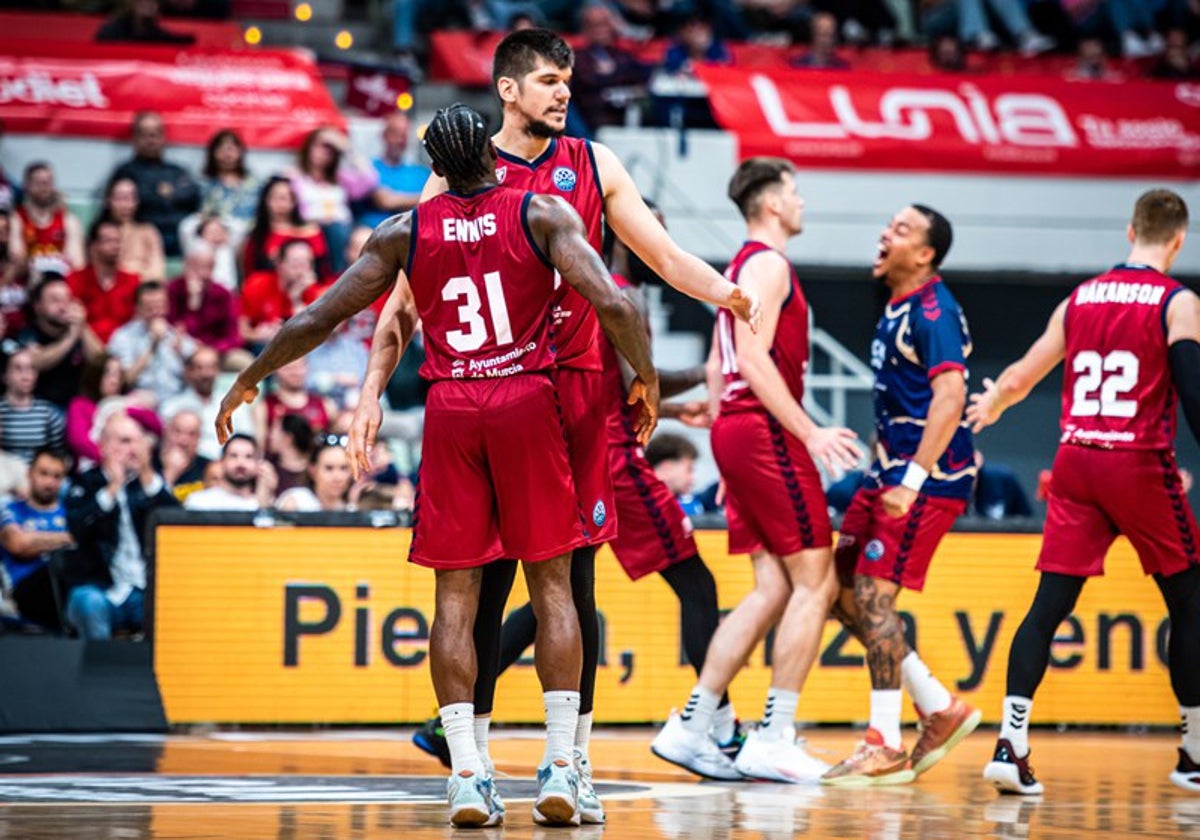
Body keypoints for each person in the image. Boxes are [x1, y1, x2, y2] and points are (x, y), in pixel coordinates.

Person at [215, 102, 660, 829]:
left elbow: (318, 318)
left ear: (435, 167)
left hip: (452, 409)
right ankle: (560, 764)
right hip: (526, 398)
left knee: (456, 600)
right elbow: (614, 304)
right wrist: (647, 377)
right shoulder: (541, 212)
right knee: (554, 586)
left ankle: (466, 774)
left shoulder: (404, 230)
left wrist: (251, 376)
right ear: (489, 151)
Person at [366, 30, 758, 823]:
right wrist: (373, 386)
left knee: (572, 576)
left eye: (567, 80)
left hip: (576, 387)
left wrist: (731, 294)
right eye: (547, 80)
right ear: (507, 91)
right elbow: (406, 293)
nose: (562, 92)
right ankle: (473, 758)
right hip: (496, 383)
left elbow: (663, 257)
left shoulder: (595, 162)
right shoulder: (459, 169)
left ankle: (566, 761)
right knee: (488, 584)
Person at [967, 189, 1200, 796]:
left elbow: (1019, 376)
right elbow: (1194, 393)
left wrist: (989, 405)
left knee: (1048, 606)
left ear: (1130, 231)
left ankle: (1010, 743)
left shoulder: (1080, 299)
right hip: (1138, 461)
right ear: (1178, 239)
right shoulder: (1178, 302)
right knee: (1191, 603)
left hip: (1075, 461)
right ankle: (1194, 754)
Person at [653, 157, 861, 783]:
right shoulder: (769, 265)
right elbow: (750, 356)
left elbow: (722, 369)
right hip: (765, 430)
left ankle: (692, 726)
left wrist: (714, 411)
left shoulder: (737, 268)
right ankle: (775, 733)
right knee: (816, 582)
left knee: (773, 588)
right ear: (772, 205)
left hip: (736, 429)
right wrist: (810, 429)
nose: (801, 203)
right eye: (795, 192)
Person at [821, 205, 980, 786]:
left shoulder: (935, 310)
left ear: (926, 255)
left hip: (924, 480)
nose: (887, 234)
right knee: (836, 590)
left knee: (874, 598)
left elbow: (949, 399)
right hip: (885, 469)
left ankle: (884, 741)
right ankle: (938, 706)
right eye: (889, 226)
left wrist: (912, 479)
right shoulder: (897, 308)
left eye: (902, 230)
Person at [63, 413, 178, 639]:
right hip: (101, 588)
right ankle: (97, 670)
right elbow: (77, 528)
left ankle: (156, 672)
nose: (134, 449)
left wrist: (147, 474)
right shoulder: (87, 482)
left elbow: (175, 521)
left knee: (174, 604)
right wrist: (112, 488)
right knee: (88, 602)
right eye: (125, 441)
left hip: (143, 590)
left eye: (138, 441)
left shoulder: (144, 485)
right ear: (104, 446)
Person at [0, 448, 74, 632]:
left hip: (66, 587)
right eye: (43, 473)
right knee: (51, 571)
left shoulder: (71, 512)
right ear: (30, 473)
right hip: (24, 589)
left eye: (57, 476)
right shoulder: (10, 509)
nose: (49, 482)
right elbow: (18, 544)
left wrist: (35, 540)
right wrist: (67, 538)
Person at [108, 112, 201, 257]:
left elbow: (194, 198)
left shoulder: (177, 171)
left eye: (155, 134)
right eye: (145, 134)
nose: (151, 140)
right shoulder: (125, 172)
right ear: (135, 138)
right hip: (142, 236)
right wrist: (168, 194)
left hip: (180, 237)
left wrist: (166, 194)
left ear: (163, 137)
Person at [289, 127, 378, 272]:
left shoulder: (340, 179)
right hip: (312, 228)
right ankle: (338, 275)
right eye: (320, 146)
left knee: (365, 231)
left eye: (330, 148)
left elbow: (370, 181)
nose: (324, 152)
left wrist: (346, 148)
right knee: (336, 229)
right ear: (309, 147)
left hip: (344, 229)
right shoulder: (296, 177)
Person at [20, 275, 102, 411]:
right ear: (37, 306)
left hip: (77, 407)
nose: (63, 306)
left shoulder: (78, 329)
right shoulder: (28, 334)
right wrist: (70, 338)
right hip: (42, 407)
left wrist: (83, 327)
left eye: (67, 300)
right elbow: (35, 363)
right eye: (55, 300)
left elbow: (100, 362)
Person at [65, 353, 161, 469]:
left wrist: (126, 411)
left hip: (132, 467)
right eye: (108, 374)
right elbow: (79, 441)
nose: (114, 380)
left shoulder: (128, 401)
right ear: (96, 375)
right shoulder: (80, 405)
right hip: (97, 469)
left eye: (118, 375)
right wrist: (110, 459)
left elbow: (157, 427)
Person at [107, 281, 197, 405]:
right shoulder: (123, 337)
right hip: (139, 397)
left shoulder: (176, 336)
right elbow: (126, 379)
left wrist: (180, 352)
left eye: (160, 306)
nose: (155, 311)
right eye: (149, 307)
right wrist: (153, 345)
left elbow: (194, 376)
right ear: (138, 308)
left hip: (176, 398)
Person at [161, 345, 253, 461]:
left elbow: (246, 439)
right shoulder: (172, 407)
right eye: (199, 368)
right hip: (187, 468)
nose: (206, 374)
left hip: (225, 467)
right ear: (189, 371)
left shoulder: (235, 405)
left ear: (218, 370)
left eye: (211, 367)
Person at [166, 242, 245, 368]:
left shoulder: (223, 294)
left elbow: (234, 337)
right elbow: (170, 329)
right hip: (180, 351)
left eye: (209, 267)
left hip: (216, 352)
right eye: (197, 267)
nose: (203, 274)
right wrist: (193, 304)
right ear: (186, 266)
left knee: (246, 363)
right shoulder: (172, 290)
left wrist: (212, 349)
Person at [240, 239, 326, 349]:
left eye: (307, 262)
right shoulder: (258, 284)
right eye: (296, 263)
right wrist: (258, 335)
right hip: (263, 347)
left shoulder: (313, 290)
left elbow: (313, 332)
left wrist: (296, 299)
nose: (301, 269)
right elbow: (241, 330)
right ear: (279, 263)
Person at [7, 162, 84, 284]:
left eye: (48, 182)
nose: (44, 187)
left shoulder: (68, 219)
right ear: (26, 186)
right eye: (38, 182)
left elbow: (77, 263)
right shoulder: (16, 219)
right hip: (27, 284)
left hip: (60, 284)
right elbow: (18, 260)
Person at [243, 176, 332, 278]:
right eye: (276, 197)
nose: (281, 203)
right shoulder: (258, 236)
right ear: (265, 200)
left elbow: (324, 271)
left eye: (286, 197)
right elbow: (250, 273)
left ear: (294, 201)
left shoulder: (311, 231)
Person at [68, 219, 140, 344]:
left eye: (118, 241)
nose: (115, 246)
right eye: (108, 241)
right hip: (84, 346)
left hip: (125, 349)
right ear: (93, 246)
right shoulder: (74, 279)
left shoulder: (133, 281)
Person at [357, 112, 431, 229]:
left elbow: (433, 201)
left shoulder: (421, 173)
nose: (400, 140)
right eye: (395, 133)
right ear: (384, 136)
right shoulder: (368, 169)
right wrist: (418, 199)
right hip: (374, 235)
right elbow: (384, 201)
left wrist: (395, 198)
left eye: (404, 135)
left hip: (412, 235)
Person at [0, 348, 66, 461]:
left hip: (39, 473)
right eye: (18, 369)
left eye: (32, 369)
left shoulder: (47, 412)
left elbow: (57, 453)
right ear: (5, 375)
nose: (26, 376)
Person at [184, 434, 278, 511]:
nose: (241, 462)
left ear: (258, 464)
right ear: (221, 462)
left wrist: (265, 498)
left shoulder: (263, 505)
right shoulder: (198, 502)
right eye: (233, 456)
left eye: (248, 457)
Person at [197, 128, 260, 241]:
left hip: (249, 235)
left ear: (240, 152)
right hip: (217, 236)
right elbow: (203, 214)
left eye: (231, 149)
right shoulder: (205, 184)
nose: (227, 155)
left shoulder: (254, 183)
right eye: (222, 149)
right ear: (213, 154)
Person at [101, 176, 166, 283]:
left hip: (141, 291)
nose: (125, 205)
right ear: (108, 200)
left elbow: (157, 272)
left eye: (129, 199)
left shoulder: (148, 232)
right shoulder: (100, 233)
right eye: (120, 199)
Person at [275, 441, 353, 511]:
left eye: (344, 468)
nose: (337, 477)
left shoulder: (351, 510)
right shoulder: (295, 502)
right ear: (313, 471)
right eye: (329, 468)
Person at [155, 407, 210, 502]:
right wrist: (170, 474)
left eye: (192, 434)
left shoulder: (208, 468)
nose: (183, 440)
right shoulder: (149, 463)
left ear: (199, 438)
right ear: (166, 432)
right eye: (177, 431)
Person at [94, 0, 195, 43]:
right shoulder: (111, 32)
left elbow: (177, 41)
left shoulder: (159, 35)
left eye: (152, 3)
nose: (148, 6)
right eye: (143, 2)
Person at [267, 413, 316, 493]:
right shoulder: (269, 467)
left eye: (274, 429)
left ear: (288, 438)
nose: (270, 435)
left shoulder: (314, 469)